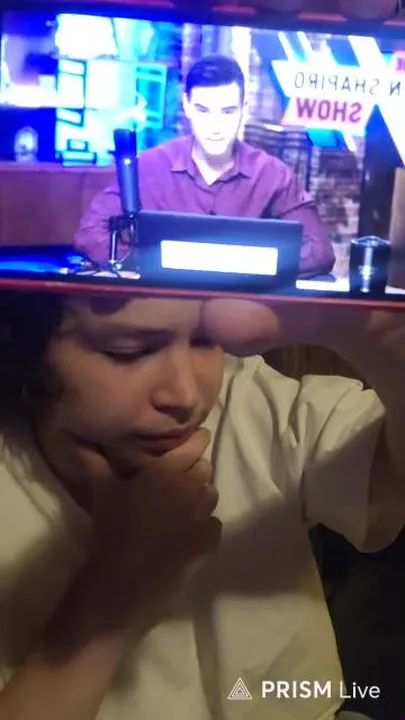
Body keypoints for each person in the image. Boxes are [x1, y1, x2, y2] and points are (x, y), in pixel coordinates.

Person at [0, 283, 403, 720]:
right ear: (26, 352)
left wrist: (380, 342)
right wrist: (113, 589)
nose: (186, 396)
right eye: (128, 352)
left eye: (205, 341)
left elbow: (384, 494)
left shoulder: (247, 400)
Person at [74, 54, 335, 278]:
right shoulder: (149, 166)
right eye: (203, 110)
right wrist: (148, 263)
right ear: (187, 106)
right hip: (161, 300)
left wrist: (245, 265)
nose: (215, 126)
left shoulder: (273, 175)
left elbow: (319, 251)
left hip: (236, 305)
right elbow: (89, 232)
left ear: (244, 109)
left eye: (228, 111)